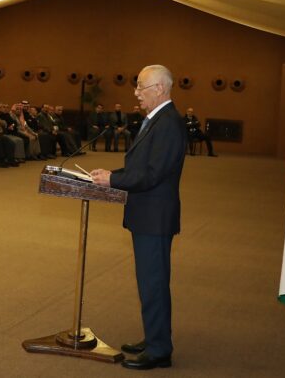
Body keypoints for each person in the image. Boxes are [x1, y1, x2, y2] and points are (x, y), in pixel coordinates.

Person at [90, 65, 186, 370]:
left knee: (153, 282)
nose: (136, 93)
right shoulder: (157, 119)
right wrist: (112, 174)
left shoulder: (168, 123)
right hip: (147, 214)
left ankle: (159, 351)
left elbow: (153, 174)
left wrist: (113, 181)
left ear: (159, 88)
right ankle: (154, 337)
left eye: (140, 87)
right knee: (149, 281)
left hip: (154, 217)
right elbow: (140, 167)